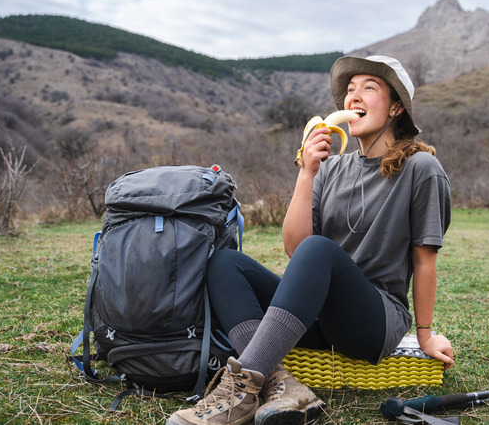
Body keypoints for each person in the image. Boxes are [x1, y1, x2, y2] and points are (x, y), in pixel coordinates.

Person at [166, 55, 453, 425]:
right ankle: (280, 384)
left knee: (319, 249)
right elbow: (293, 248)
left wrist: (426, 335)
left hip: (373, 320)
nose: (354, 97)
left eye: (369, 87)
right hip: (316, 315)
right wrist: (307, 173)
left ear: (396, 106)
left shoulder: (421, 169)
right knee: (224, 261)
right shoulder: (331, 168)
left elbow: (424, 259)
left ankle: (238, 390)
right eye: (350, 90)